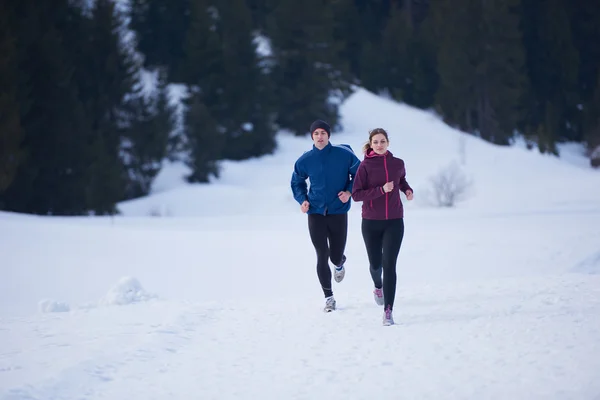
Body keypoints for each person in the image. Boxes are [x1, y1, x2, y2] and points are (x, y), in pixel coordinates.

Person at [291, 119, 361, 312]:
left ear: (329, 136)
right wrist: (302, 200)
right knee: (321, 254)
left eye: (323, 133)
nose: (319, 137)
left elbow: (359, 175)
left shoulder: (344, 154)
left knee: (335, 256)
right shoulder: (305, 160)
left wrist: (348, 192)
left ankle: (340, 263)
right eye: (316, 134)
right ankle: (329, 297)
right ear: (311, 136)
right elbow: (297, 182)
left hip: (338, 211)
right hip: (315, 212)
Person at [351, 128, 413, 325]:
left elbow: (401, 180)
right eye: (375, 142)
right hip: (371, 222)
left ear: (388, 143)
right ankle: (377, 286)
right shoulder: (365, 166)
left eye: (382, 141)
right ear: (370, 144)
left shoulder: (398, 163)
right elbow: (357, 195)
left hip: (395, 220)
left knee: (390, 265)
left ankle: (388, 310)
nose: (379, 145)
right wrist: (380, 190)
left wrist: (407, 189)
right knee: (376, 264)